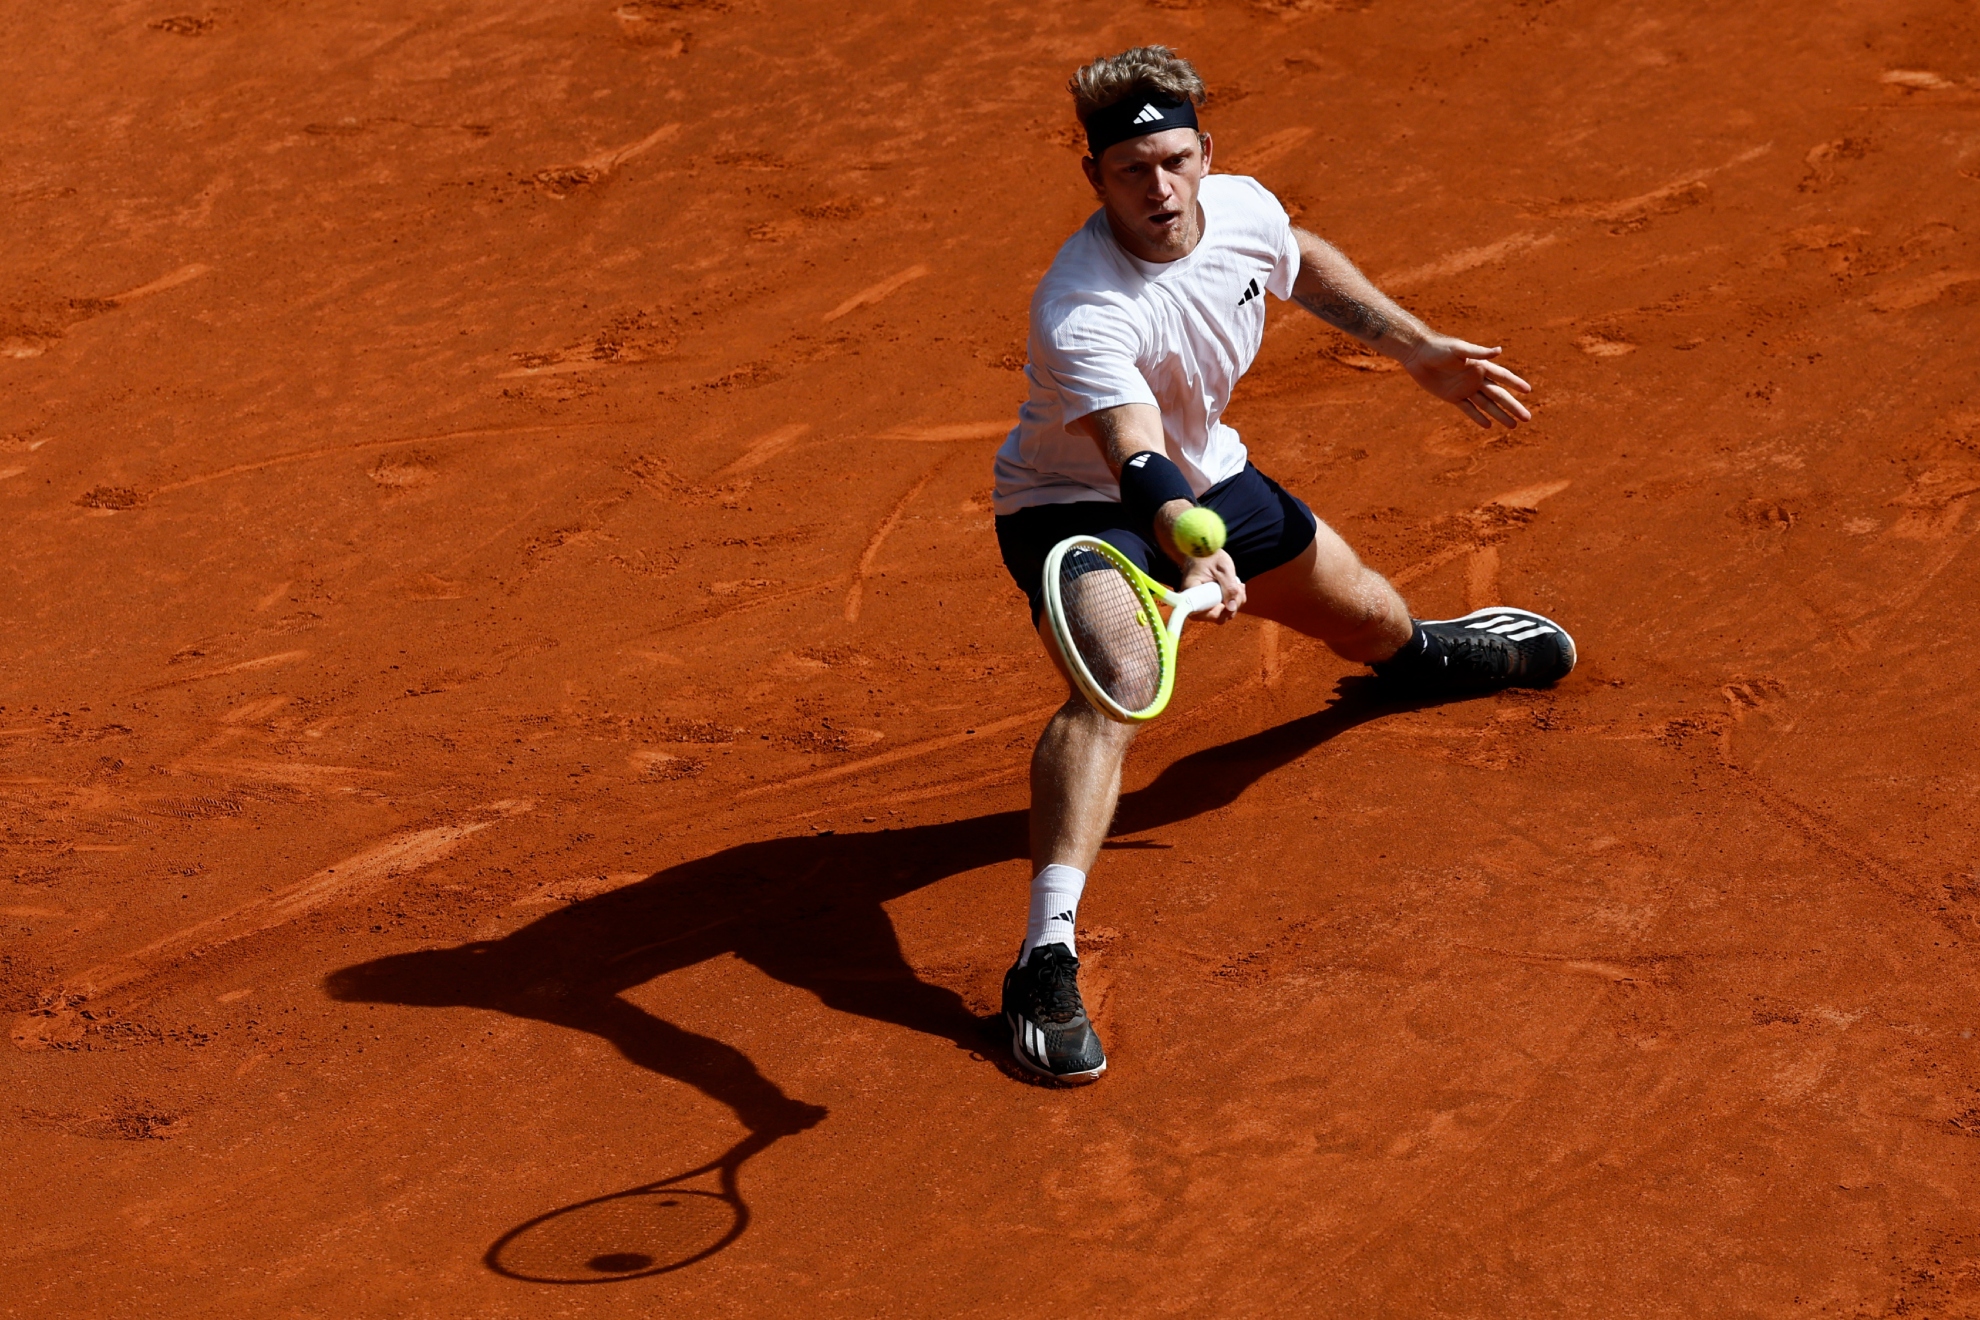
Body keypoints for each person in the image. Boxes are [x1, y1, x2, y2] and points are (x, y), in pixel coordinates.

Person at [992, 46, 1577, 1083]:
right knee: (1116, 687)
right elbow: (1132, 451)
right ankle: (1045, 954)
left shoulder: (1245, 207)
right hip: (1083, 510)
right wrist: (1185, 547)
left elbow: (1295, 256)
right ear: (1095, 178)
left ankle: (1421, 660)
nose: (1159, 189)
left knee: (1375, 624)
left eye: (1174, 161)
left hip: (1215, 484)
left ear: (1205, 155)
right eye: (1132, 171)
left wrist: (1413, 345)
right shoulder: (1082, 307)